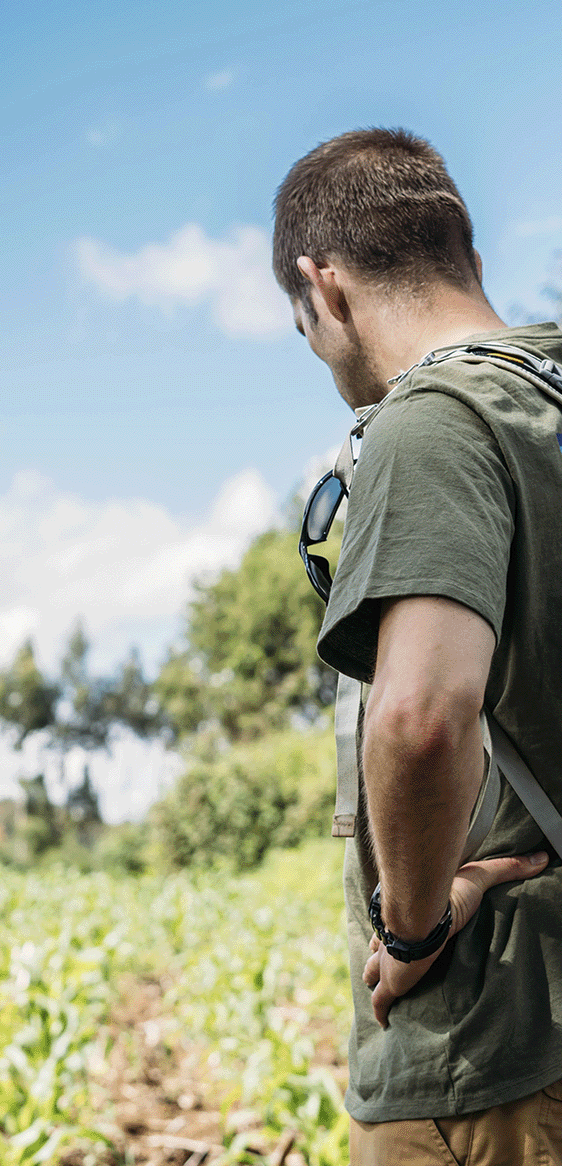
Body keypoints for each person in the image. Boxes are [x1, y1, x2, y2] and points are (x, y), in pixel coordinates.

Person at [272, 127, 562, 1163]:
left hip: (491, 1047)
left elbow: (421, 717)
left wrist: (415, 923)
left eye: (303, 322)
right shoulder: (548, 400)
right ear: (471, 264)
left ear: (325, 289)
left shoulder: (432, 421)